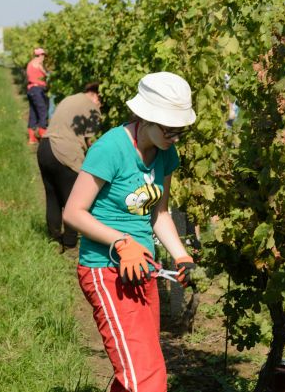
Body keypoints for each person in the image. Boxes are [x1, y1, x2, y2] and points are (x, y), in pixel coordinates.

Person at [63, 72, 198, 392]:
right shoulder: (111, 148)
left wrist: (181, 254)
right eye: (169, 128)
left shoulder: (167, 154)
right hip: (105, 268)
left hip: (142, 268)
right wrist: (122, 242)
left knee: (140, 365)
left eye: (180, 130)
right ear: (145, 116)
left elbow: (159, 213)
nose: (174, 136)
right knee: (145, 377)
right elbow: (72, 212)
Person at [37, 82, 102, 253]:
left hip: (45, 147)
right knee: (72, 199)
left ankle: (54, 237)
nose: (100, 105)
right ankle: (70, 241)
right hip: (65, 152)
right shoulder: (92, 108)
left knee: (52, 196)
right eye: (101, 101)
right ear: (96, 95)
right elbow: (91, 142)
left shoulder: (71, 99)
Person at [26, 47, 49, 144]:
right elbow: (46, 74)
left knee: (33, 113)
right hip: (37, 90)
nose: (44, 57)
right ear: (40, 55)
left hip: (31, 90)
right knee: (43, 110)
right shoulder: (38, 63)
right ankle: (42, 133)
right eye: (43, 55)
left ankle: (31, 138)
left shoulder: (30, 64)